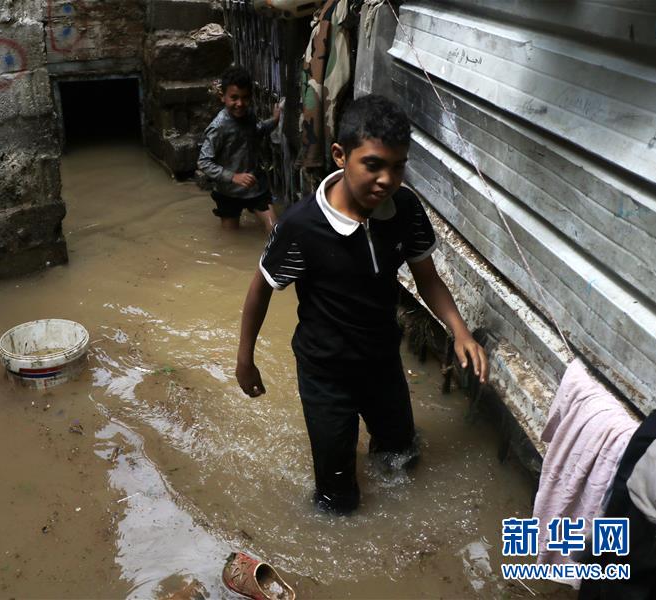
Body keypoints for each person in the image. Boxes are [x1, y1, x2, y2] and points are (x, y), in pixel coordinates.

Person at [235, 94, 488, 514]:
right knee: (338, 500)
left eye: (398, 166)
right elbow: (261, 288)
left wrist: (459, 331)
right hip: (325, 373)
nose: (387, 179)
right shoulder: (301, 226)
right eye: (373, 165)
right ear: (340, 156)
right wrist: (245, 360)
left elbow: (427, 278)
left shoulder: (405, 210)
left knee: (401, 462)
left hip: (382, 362)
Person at [198, 66, 281, 233]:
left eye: (245, 98)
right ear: (223, 97)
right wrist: (233, 177)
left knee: (275, 230)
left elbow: (257, 131)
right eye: (234, 98)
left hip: (255, 186)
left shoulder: (248, 115)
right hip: (228, 192)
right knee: (230, 237)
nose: (240, 104)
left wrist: (274, 120)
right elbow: (204, 162)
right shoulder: (219, 127)